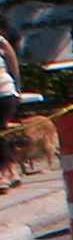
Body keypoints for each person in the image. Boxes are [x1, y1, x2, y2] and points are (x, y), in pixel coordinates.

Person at [0, 29, 19, 192]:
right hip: (7, 91)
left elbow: (10, 56)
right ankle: (12, 172)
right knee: (3, 132)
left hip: (4, 93)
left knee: (1, 132)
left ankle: (4, 175)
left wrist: (17, 85)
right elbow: (11, 57)